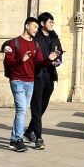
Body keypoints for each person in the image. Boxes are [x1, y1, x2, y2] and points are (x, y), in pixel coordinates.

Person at [3, 17, 50, 152]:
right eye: (35, 27)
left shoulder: (35, 44)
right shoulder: (14, 43)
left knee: (22, 110)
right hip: (17, 80)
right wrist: (20, 60)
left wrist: (49, 60)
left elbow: (39, 63)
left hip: (30, 81)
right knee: (22, 110)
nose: (36, 30)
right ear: (27, 26)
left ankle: (14, 139)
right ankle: (17, 139)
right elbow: (9, 62)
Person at [24, 12, 63, 150]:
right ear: (42, 24)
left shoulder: (54, 37)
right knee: (36, 107)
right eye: (50, 22)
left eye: (53, 22)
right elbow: (19, 41)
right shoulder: (35, 38)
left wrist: (57, 61)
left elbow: (60, 54)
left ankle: (29, 131)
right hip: (37, 76)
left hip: (50, 76)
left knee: (43, 106)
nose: (52, 24)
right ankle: (38, 138)